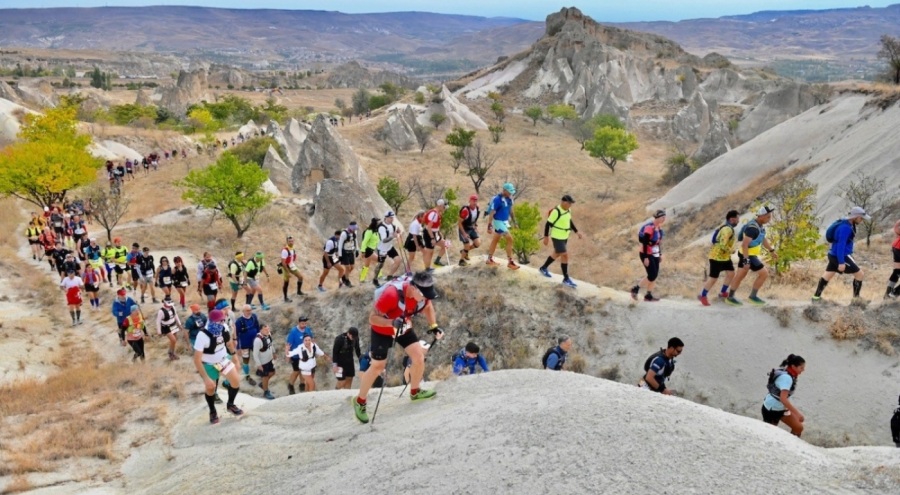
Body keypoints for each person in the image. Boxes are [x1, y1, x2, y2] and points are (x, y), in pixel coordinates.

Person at [353, 271, 443, 424]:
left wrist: (433, 326)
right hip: (382, 330)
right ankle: (360, 401)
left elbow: (428, 307)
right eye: (424, 294)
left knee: (419, 357)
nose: (426, 298)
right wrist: (391, 323)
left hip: (403, 327)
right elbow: (372, 318)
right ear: (414, 288)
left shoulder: (422, 298)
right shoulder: (391, 295)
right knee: (377, 366)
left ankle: (415, 392)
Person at [193, 309, 244, 424]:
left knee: (235, 382)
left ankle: (230, 404)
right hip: (208, 364)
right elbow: (196, 359)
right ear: (211, 321)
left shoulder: (224, 327)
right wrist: (206, 378)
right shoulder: (202, 335)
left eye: (223, 320)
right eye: (219, 321)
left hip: (223, 359)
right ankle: (212, 410)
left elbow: (229, 343)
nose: (222, 323)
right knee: (211, 388)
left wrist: (235, 358)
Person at [813, 207, 870, 302]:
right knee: (860, 275)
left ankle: (815, 297)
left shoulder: (846, 223)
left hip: (833, 254)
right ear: (855, 217)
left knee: (827, 275)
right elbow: (841, 245)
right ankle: (856, 300)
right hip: (841, 255)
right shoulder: (845, 228)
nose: (862, 220)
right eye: (861, 218)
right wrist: (841, 262)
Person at [727, 205, 778, 306]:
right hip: (748, 255)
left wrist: (771, 250)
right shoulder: (753, 228)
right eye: (768, 217)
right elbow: (744, 244)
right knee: (764, 273)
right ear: (761, 216)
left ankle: (730, 297)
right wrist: (746, 261)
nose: (769, 219)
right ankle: (753, 297)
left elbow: (762, 239)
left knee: (740, 275)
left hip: (747, 254)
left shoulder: (760, 226)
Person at [539, 195, 583, 288]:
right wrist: (546, 237)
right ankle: (566, 278)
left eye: (571, 203)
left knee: (557, 253)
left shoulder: (568, 210)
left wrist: (576, 231)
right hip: (557, 236)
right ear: (563, 202)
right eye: (569, 203)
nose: (570, 205)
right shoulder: (556, 211)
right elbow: (548, 224)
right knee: (565, 255)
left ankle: (543, 268)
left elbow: (569, 221)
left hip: (564, 236)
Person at [699, 210, 740, 306]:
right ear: (732, 219)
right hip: (717, 257)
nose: (738, 221)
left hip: (724, 257)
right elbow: (722, 244)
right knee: (713, 278)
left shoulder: (727, 227)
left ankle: (723, 292)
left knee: (731, 273)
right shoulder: (727, 229)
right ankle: (703, 295)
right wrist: (731, 250)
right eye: (737, 219)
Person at [762, 354, 806, 437]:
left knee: (798, 428)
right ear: (793, 366)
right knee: (769, 434)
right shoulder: (787, 378)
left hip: (780, 407)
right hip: (772, 409)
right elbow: (783, 399)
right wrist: (797, 413)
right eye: (801, 368)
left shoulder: (788, 373)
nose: (803, 370)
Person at [631, 209, 666, 302]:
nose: (664, 219)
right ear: (657, 218)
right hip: (646, 253)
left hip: (655, 254)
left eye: (664, 217)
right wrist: (646, 257)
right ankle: (635, 289)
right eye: (662, 217)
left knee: (655, 275)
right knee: (652, 275)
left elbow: (658, 243)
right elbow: (645, 243)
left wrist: (660, 254)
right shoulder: (649, 227)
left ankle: (648, 295)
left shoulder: (659, 228)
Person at [485, 183, 520, 270]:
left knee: (495, 240)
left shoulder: (509, 200)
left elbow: (511, 211)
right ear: (504, 190)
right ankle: (510, 261)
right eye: (509, 192)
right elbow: (492, 212)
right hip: (498, 222)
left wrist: (515, 222)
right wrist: (489, 225)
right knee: (510, 238)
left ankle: (489, 259)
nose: (511, 193)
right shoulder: (497, 199)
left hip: (504, 222)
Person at [284, 315, 314, 395]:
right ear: (299, 323)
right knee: (296, 371)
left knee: (303, 370)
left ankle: (302, 384)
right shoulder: (293, 331)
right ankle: (290, 385)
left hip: (305, 355)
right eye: (302, 323)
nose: (304, 325)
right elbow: (288, 344)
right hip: (296, 355)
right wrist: (288, 356)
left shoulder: (307, 329)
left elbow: (311, 339)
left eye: (305, 323)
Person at [373, 211, 404, 287]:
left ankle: (389, 276)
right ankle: (375, 279)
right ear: (386, 218)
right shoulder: (381, 227)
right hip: (382, 248)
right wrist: (393, 236)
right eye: (390, 218)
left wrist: (398, 231)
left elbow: (398, 230)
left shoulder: (393, 225)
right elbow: (384, 240)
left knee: (398, 260)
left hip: (390, 247)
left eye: (392, 217)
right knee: (380, 264)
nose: (392, 219)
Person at [234, 305, 261, 386]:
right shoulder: (239, 321)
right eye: (247, 310)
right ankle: (247, 376)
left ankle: (259, 370)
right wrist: (238, 348)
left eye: (250, 310)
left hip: (255, 343)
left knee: (258, 356)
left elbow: (258, 328)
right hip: (245, 345)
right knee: (246, 361)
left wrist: (260, 339)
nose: (249, 312)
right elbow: (236, 335)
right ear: (243, 311)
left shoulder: (254, 317)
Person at [422, 199, 448, 271]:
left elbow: (436, 227)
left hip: (434, 233)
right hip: (429, 234)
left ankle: (437, 261)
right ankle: (427, 268)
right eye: (444, 207)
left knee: (444, 245)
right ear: (440, 205)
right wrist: (432, 238)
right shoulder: (434, 214)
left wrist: (439, 234)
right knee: (429, 252)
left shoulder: (437, 213)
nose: (444, 208)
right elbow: (429, 227)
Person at [253, 324, 277, 400]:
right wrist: (259, 365)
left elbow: (271, 345)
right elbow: (255, 354)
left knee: (272, 373)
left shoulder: (268, 335)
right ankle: (266, 392)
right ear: (261, 330)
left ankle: (263, 384)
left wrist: (273, 352)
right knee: (265, 376)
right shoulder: (258, 340)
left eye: (268, 329)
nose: (267, 330)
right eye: (265, 329)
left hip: (269, 360)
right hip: (263, 362)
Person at [156, 296, 184, 361]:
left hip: (173, 325)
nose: (170, 306)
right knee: (173, 340)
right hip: (166, 327)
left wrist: (179, 324)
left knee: (174, 340)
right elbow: (158, 321)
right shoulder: (161, 311)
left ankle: (171, 352)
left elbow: (175, 315)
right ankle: (171, 353)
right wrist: (159, 331)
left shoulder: (173, 308)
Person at [279, 236, 305, 302]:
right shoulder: (285, 250)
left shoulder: (292, 249)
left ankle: (299, 291)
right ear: (287, 242)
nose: (291, 242)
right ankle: (285, 298)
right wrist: (287, 272)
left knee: (300, 277)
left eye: (292, 241)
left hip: (291, 265)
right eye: (289, 241)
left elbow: (292, 259)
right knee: (286, 283)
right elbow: (283, 263)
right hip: (285, 267)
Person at [457, 195, 481, 267]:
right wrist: (464, 233)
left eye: (476, 201)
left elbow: (474, 218)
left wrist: (475, 225)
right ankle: (461, 261)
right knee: (467, 245)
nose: (474, 202)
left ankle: (464, 251)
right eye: (473, 200)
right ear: (469, 201)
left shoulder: (477, 208)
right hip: (463, 229)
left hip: (471, 227)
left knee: (477, 243)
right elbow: (459, 223)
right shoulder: (465, 210)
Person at [359, 218, 382, 283]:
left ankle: (362, 279)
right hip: (368, 250)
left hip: (371, 250)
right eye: (378, 223)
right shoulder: (369, 231)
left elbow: (378, 240)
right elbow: (364, 242)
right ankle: (379, 276)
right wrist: (363, 251)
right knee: (379, 260)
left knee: (366, 265)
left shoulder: (376, 231)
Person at [337, 221, 359, 287]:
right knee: (348, 267)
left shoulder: (354, 232)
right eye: (354, 228)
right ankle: (347, 281)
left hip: (351, 251)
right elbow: (340, 245)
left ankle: (344, 278)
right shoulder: (344, 234)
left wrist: (357, 249)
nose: (355, 230)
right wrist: (340, 255)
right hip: (345, 252)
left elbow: (355, 240)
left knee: (352, 267)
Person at [887, 219, 900, 299]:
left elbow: (896, 228)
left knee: (897, 271)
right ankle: (894, 294)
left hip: (896, 246)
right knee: (897, 271)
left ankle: (887, 295)